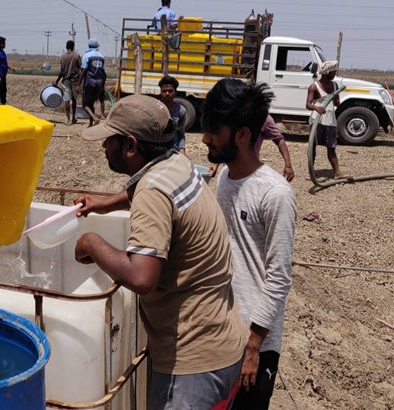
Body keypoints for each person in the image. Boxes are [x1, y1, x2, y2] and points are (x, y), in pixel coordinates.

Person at [73, 95, 248, 409]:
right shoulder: (175, 163)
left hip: (192, 362)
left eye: (108, 141)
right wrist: (105, 203)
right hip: (223, 339)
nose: (104, 148)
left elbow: (142, 277)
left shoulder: (153, 192)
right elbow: (150, 191)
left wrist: (91, 242)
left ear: (129, 145)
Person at [202, 78, 297, 409]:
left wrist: (254, 347)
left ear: (242, 135)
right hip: (223, 329)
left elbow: (279, 276)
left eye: (214, 129)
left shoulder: (275, 194)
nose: (204, 138)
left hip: (254, 344)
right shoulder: (227, 177)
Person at [209, 115, 295, 182]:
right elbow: (224, 140)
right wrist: (215, 163)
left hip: (249, 169)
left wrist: (288, 165)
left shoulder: (264, 118)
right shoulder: (232, 115)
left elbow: (279, 139)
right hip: (230, 167)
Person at [306, 59, 346, 179]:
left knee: (331, 147)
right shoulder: (314, 86)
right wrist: (316, 108)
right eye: (334, 71)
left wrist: (335, 96)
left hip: (330, 120)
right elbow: (308, 105)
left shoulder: (335, 85)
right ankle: (311, 172)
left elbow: (337, 103)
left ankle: (337, 173)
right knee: (312, 146)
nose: (335, 73)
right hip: (317, 120)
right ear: (327, 72)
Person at [79, 38, 106, 127]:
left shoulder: (87, 56)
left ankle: (94, 118)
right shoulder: (101, 57)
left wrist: (79, 84)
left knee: (85, 105)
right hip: (98, 84)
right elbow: (103, 73)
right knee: (92, 104)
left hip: (89, 83)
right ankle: (91, 124)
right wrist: (102, 85)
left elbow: (83, 71)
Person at [54, 40, 82, 126]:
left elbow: (61, 72)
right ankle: (73, 117)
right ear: (73, 47)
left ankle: (68, 119)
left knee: (66, 99)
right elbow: (80, 70)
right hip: (74, 81)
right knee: (74, 100)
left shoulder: (62, 57)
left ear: (66, 47)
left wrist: (57, 81)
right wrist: (80, 83)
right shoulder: (77, 56)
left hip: (65, 81)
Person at [158, 75, 186, 155]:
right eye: (164, 91)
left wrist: (182, 152)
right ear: (160, 92)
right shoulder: (154, 108)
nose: (167, 93)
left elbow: (181, 134)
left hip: (174, 151)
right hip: (157, 151)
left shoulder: (181, 111)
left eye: (170, 91)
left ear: (175, 92)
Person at [0, 36, 15, 105]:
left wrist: (10, 68)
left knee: (3, 91)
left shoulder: (2, 51)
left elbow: (3, 63)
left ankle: (3, 105)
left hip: (3, 75)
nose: (5, 44)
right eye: (3, 43)